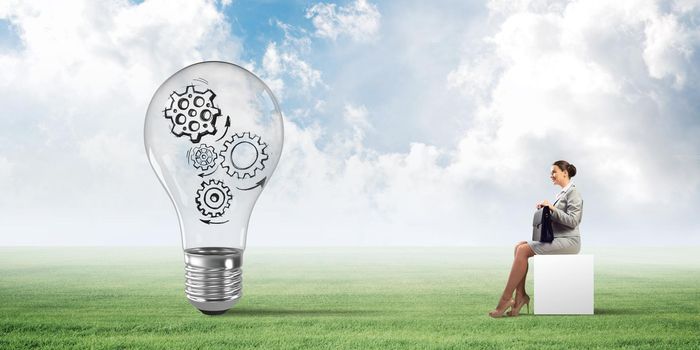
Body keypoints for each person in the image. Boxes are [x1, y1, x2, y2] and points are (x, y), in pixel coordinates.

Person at [489, 160, 583, 318]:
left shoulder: (573, 192)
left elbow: (574, 221)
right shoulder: (562, 193)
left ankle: (505, 299)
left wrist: (552, 209)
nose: (551, 175)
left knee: (523, 250)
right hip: (560, 238)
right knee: (519, 246)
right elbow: (560, 219)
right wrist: (547, 210)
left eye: (554, 172)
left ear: (565, 173)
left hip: (570, 241)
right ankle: (520, 297)